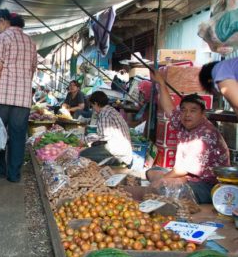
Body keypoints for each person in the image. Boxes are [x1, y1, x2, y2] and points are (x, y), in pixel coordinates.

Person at [147, 71, 230, 204]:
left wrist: (162, 180)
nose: (187, 114)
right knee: (152, 172)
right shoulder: (184, 124)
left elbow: (182, 169)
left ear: (203, 113)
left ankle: (172, 185)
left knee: (165, 189)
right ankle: (171, 183)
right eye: (184, 110)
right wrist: (161, 83)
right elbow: (169, 109)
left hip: (207, 185)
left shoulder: (206, 134)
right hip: (187, 177)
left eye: (193, 110)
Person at [0, 8, 37, 183]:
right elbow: (33, 70)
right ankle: (14, 174)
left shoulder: (1, 38)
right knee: (18, 136)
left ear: (3, 21)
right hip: (23, 98)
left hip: (3, 96)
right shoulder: (31, 42)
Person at [79, 91, 132, 166]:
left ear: (96, 103)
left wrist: (84, 140)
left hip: (119, 152)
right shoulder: (110, 110)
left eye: (92, 105)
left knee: (83, 154)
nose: (93, 108)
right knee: (92, 148)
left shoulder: (104, 114)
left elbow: (103, 135)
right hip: (123, 148)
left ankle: (116, 162)